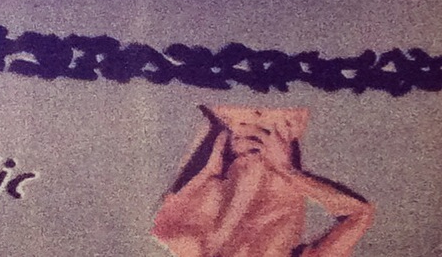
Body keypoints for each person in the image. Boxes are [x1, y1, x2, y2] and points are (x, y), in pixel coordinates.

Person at [152, 105, 374, 257]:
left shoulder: (183, 242)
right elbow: (359, 213)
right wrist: (287, 171)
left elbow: (169, 223)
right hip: (280, 122)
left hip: (231, 119)